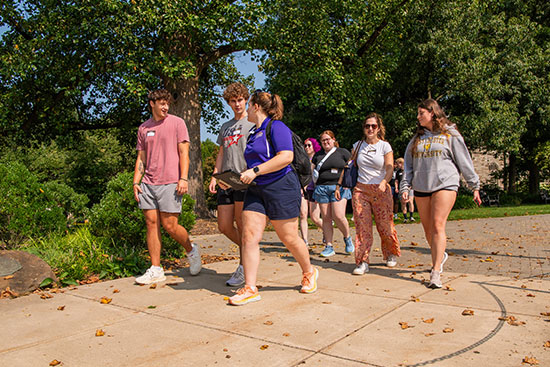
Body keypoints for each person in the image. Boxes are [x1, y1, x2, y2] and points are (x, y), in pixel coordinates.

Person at [228, 90, 319, 305]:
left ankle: (309, 271)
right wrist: (236, 178)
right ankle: (250, 287)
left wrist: (256, 171)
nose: (247, 109)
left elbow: (286, 157)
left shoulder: (277, 127)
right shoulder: (252, 133)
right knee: (249, 235)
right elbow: (253, 165)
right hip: (257, 189)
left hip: (281, 187)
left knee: (288, 237)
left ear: (256, 106)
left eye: (249, 105)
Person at [400, 98, 481, 289]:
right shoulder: (416, 139)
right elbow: (408, 167)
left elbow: (464, 160)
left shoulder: (450, 134)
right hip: (421, 187)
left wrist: (474, 185)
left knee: (437, 224)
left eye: (421, 113)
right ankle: (440, 254)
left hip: (445, 183)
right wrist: (405, 187)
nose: (418, 117)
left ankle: (435, 272)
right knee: (428, 230)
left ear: (432, 113)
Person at [133, 89, 202, 285]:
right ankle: (156, 269)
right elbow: (141, 158)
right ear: (152, 104)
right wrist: (136, 181)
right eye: (161, 103)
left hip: (171, 181)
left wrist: (184, 178)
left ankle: (191, 249)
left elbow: (184, 154)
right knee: (151, 224)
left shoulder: (177, 123)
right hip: (148, 183)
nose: (165, 107)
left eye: (167, 103)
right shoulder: (143, 128)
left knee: (170, 226)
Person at [209, 83, 254, 287]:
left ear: (246, 100)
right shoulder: (225, 127)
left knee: (243, 226)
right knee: (224, 225)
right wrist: (214, 176)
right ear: (228, 103)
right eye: (233, 101)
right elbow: (221, 153)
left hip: (244, 180)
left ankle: (245, 267)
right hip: (226, 180)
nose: (237, 104)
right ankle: (251, 250)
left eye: (240, 100)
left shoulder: (252, 123)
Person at [345, 113, 400, 275]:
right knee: (362, 228)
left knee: (385, 226)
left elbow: (389, 166)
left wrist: (385, 182)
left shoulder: (385, 146)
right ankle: (362, 260)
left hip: (381, 190)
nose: (370, 129)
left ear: (378, 128)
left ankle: (391, 253)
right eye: (367, 126)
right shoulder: (357, 146)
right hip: (361, 190)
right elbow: (350, 166)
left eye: (373, 126)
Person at [312, 131, 354, 257]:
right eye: (323, 140)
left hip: (339, 187)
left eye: (328, 139)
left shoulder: (342, 152)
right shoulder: (317, 155)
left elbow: (351, 166)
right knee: (326, 218)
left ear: (333, 139)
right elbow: (311, 170)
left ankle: (347, 238)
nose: (326, 142)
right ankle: (329, 246)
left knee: (338, 215)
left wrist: (348, 183)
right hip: (321, 188)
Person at [299, 138, 323, 246]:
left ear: (314, 146)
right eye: (305, 146)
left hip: (314, 190)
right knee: (303, 214)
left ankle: (327, 231)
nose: (307, 147)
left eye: (309, 145)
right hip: (303, 190)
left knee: (315, 218)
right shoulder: (301, 160)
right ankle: (304, 240)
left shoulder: (318, 159)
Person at [395, 158, 415, 222]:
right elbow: (396, 181)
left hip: (410, 188)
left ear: (401, 163)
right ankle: (405, 218)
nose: (397, 165)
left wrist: (411, 186)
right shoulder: (398, 172)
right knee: (403, 203)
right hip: (401, 189)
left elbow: (413, 178)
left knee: (410, 201)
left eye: (398, 164)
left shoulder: (408, 171)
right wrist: (396, 188)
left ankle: (411, 216)